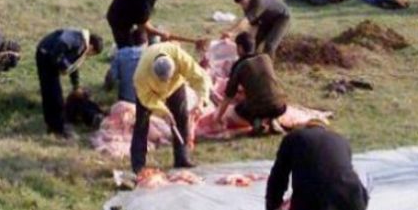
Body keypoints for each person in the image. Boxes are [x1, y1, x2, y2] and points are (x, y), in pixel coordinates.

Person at [263, 120, 369, 210]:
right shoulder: (340, 139)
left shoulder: (293, 138)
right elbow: (339, 173)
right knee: (360, 178)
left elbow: (277, 180)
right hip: (353, 206)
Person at [131, 42, 211, 171]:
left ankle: (182, 158)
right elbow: (147, 98)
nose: (166, 82)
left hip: (176, 86)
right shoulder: (141, 75)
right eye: (163, 80)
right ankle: (138, 164)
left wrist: (201, 101)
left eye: (168, 78)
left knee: (182, 117)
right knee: (141, 123)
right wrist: (163, 112)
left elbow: (200, 78)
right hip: (151, 93)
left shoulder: (180, 57)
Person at [216, 32, 287, 135]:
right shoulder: (266, 58)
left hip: (258, 109)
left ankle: (257, 123)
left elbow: (229, 95)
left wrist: (218, 117)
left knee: (239, 108)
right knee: (269, 101)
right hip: (280, 107)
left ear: (240, 48)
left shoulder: (240, 65)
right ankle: (273, 120)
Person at [224, 0, 290, 59]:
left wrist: (231, 32)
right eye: (241, 4)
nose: (243, 6)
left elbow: (245, 22)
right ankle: (252, 64)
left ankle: (268, 67)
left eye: (243, 3)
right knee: (253, 43)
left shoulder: (258, 1)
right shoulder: (247, 6)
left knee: (270, 44)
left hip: (281, 17)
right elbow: (251, 26)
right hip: (266, 20)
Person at [104, 28, 147, 103]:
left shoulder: (120, 54)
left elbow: (111, 77)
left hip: (125, 99)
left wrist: (107, 89)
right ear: (146, 42)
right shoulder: (151, 55)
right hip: (146, 100)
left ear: (131, 40)